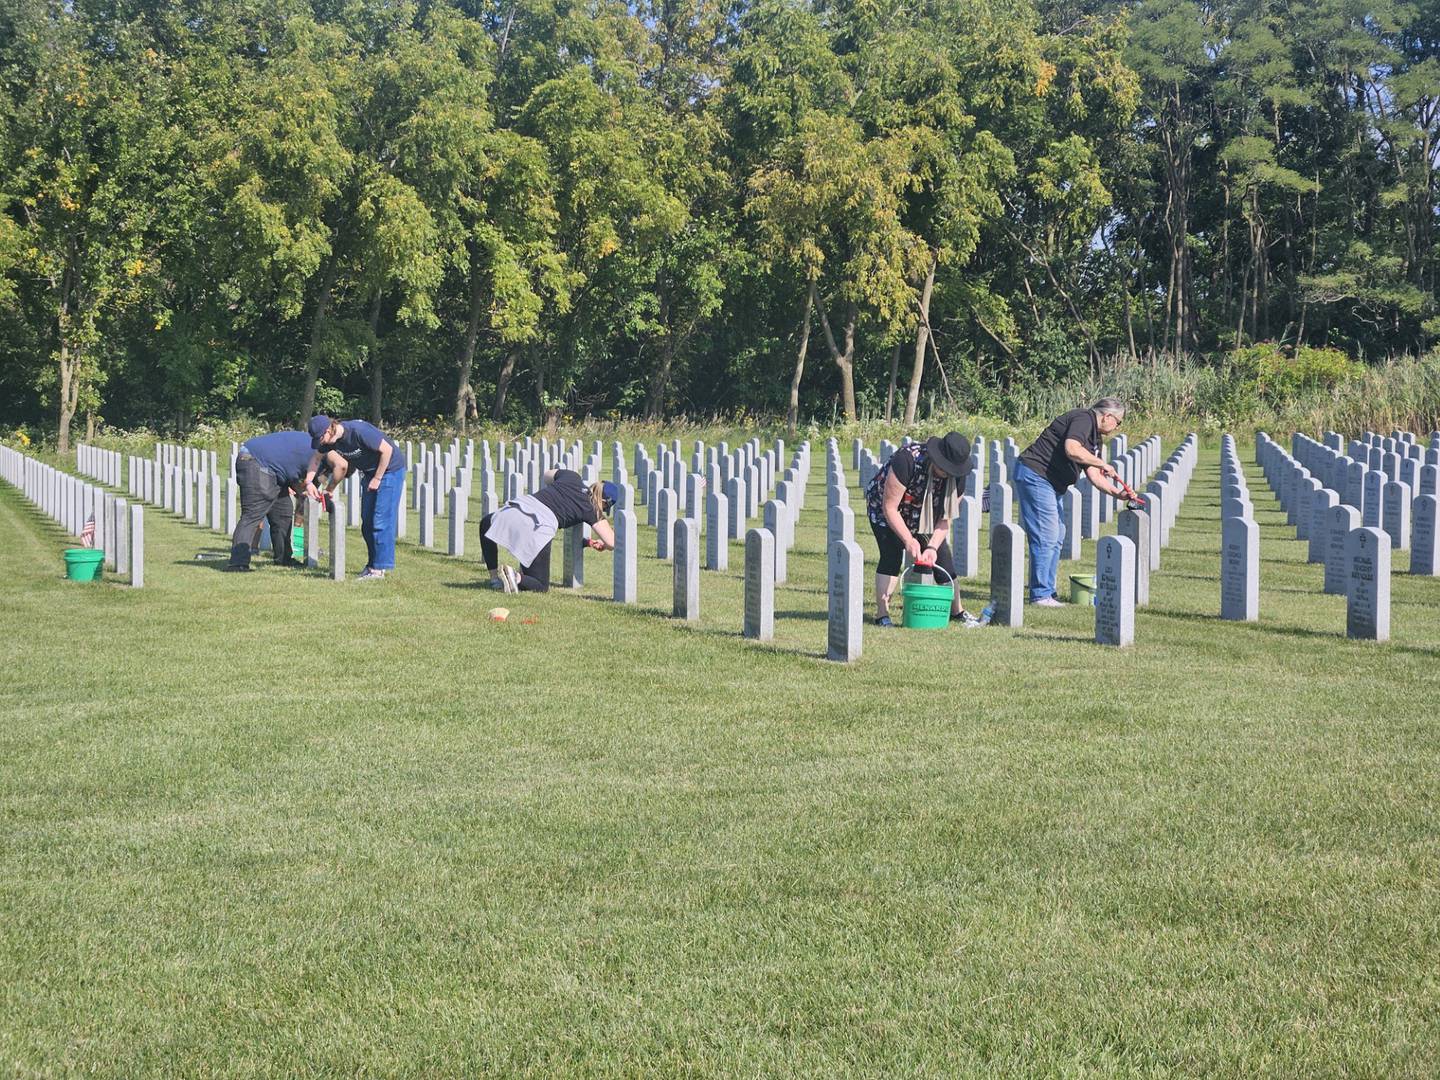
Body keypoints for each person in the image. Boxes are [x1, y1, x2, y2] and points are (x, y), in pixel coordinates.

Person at [1014, 397, 1128, 605]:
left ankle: (1048, 591)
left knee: (1058, 534)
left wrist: (1118, 493)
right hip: (1037, 475)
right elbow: (1072, 449)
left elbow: (1094, 475)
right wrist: (1102, 463)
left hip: (1051, 483)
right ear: (1107, 416)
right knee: (1046, 535)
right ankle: (1040, 595)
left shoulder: (1095, 438)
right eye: (1118, 422)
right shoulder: (1083, 418)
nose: (1117, 427)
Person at [863, 431, 979, 627]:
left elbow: (945, 518)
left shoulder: (958, 477)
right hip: (887, 510)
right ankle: (882, 614)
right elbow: (890, 507)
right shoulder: (907, 460)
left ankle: (957, 611)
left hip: (926, 516)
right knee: (891, 556)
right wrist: (908, 540)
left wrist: (932, 547)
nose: (947, 474)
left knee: (943, 558)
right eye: (944, 469)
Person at [304, 415, 407, 581]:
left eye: (320, 438)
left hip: (390, 470)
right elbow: (316, 459)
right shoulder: (329, 441)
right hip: (369, 473)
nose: (321, 443)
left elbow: (387, 450)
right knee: (367, 522)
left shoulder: (358, 431)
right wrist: (309, 482)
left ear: (329, 429)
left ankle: (379, 569)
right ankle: (372, 564)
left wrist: (378, 478)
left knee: (380, 520)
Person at [480, 469, 617, 593]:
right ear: (604, 502)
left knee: (486, 524)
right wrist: (604, 544)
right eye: (605, 508)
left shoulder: (572, 477)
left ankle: (494, 578)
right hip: (539, 526)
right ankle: (514, 576)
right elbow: (612, 542)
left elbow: (547, 475)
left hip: (519, 507)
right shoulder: (592, 510)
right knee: (540, 585)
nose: (603, 510)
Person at [227, 430, 339, 571]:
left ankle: (284, 558)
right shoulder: (320, 457)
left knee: (283, 513)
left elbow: (302, 485)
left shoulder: (322, 454)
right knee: (252, 514)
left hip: (274, 469)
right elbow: (303, 490)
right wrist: (313, 493)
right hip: (257, 460)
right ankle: (238, 563)